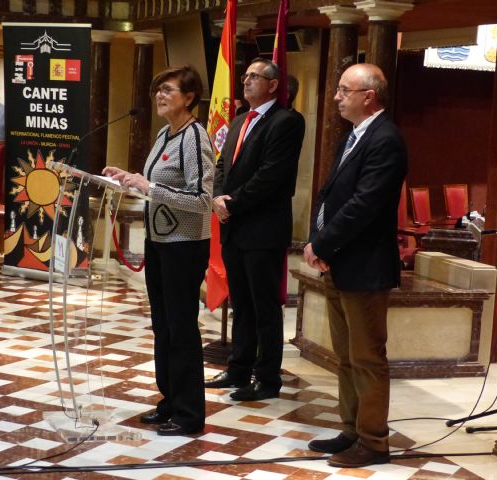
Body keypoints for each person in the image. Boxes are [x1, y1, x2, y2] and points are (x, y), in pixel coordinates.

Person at [303, 63, 407, 468]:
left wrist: (322, 242)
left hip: (365, 267)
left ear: (369, 96)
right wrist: (318, 241)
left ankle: (374, 441)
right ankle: (352, 430)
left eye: (344, 90)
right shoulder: (354, 135)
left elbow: (365, 204)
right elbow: (332, 195)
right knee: (346, 356)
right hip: (339, 262)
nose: (336, 97)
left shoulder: (386, 140)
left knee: (367, 358)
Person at [102, 65, 214, 436]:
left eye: (168, 90)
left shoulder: (195, 137)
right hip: (160, 242)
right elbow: (154, 185)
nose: (159, 96)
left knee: (181, 329)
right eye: (158, 90)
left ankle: (189, 414)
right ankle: (169, 402)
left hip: (184, 246)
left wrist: (149, 187)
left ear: (189, 97)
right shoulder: (165, 134)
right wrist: (127, 180)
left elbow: (201, 200)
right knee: (164, 328)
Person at [204, 58, 305, 401]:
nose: (245, 81)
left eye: (254, 76)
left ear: (273, 85)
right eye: (245, 75)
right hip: (233, 226)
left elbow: (271, 175)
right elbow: (222, 165)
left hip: (262, 229)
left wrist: (232, 203)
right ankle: (238, 369)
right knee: (241, 304)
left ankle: (267, 378)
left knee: (264, 307)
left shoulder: (286, 121)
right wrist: (218, 196)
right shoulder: (238, 121)